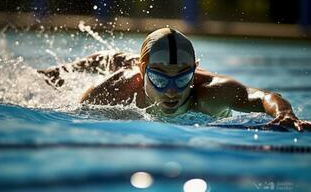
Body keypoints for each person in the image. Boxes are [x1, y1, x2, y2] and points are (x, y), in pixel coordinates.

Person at [38, 28, 311, 131]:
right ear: (142, 72)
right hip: (132, 66)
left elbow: (265, 97)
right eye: (158, 78)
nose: (171, 91)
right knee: (111, 59)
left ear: (195, 70)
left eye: (182, 79)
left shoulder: (213, 93)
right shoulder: (118, 87)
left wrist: (286, 113)